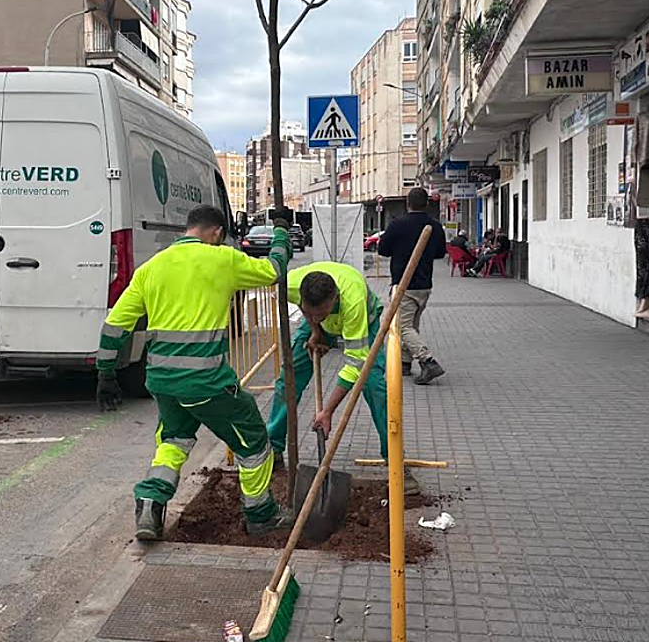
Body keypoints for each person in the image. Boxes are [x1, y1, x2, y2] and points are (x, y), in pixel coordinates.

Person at [96, 204, 295, 541]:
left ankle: (150, 502)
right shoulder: (223, 260)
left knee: (174, 440)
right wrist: (279, 232)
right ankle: (261, 514)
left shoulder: (151, 268)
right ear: (216, 233)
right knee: (255, 442)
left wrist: (105, 374)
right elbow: (274, 269)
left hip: (162, 382)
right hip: (207, 383)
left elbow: (116, 324)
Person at [266, 262, 421, 495]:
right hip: (319, 320)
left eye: (322, 312)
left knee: (376, 387)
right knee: (288, 378)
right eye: (311, 311)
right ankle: (273, 449)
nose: (316, 316)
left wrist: (327, 411)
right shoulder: (291, 285)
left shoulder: (353, 301)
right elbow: (308, 310)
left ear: (335, 298)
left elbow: (354, 366)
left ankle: (396, 463)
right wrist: (316, 329)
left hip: (364, 323)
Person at [377, 187, 448, 384]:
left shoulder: (397, 224)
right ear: (427, 203)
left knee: (403, 326)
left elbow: (383, 250)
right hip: (425, 284)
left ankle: (428, 361)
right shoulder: (435, 226)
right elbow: (441, 253)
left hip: (403, 284)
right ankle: (405, 363)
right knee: (412, 325)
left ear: (407, 203)